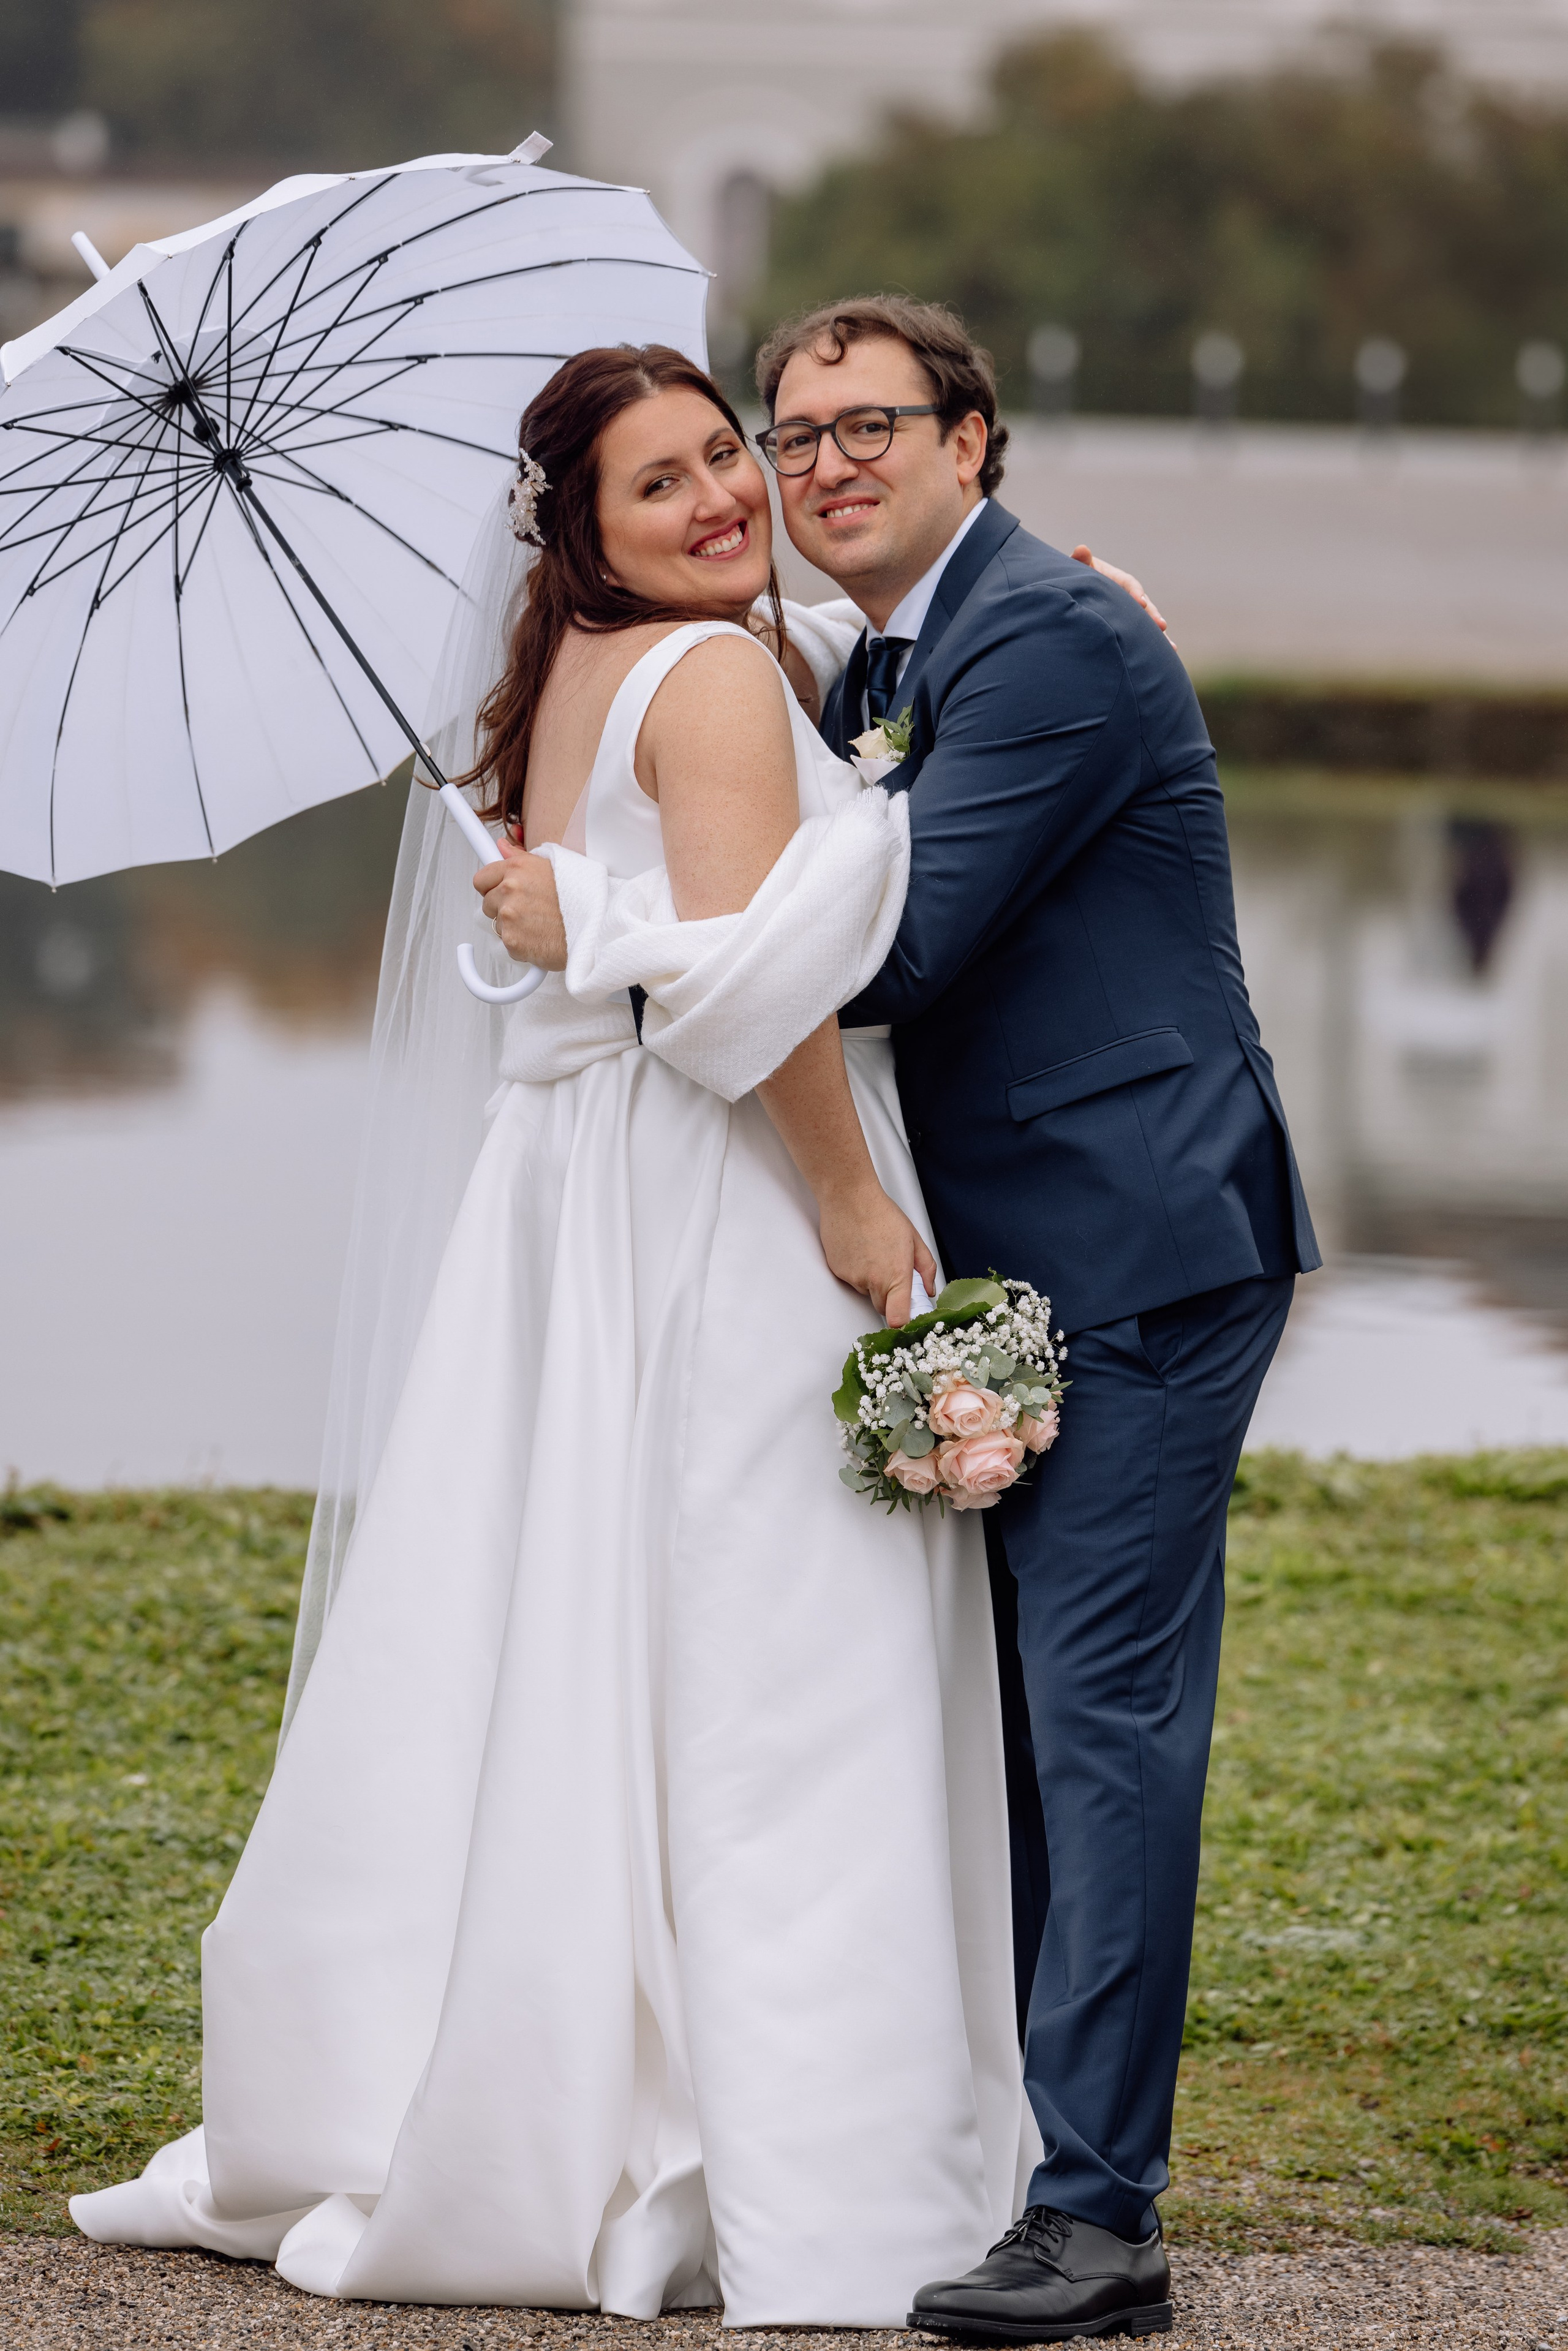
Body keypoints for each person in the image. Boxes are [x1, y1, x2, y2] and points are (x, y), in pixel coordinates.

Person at [69, 345, 1033, 2321]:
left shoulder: (575, 674)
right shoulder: (714, 679)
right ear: (582, 530)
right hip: (718, 1193)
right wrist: (851, 1200)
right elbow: (749, 995)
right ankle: (792, 2135)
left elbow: (676, 891)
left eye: (721, 457)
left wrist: (591, 920)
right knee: (774, 1644)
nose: (723, 498)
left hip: (574, 1195)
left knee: (574, 1615)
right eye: (657, 485)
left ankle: (528, 2062)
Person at [493, 296, 1319, 2344]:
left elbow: (889, 944)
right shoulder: (886, 658)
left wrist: (605, 918)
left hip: (1134, 1242)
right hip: (995, 1255)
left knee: (1098, 1726)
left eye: (868, 425)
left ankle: (1099, 2220)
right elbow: (831, 825)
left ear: (973, 440)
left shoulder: (1050, 639)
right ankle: (1027, 2151)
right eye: (791, 435)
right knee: (1020, 1727)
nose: (815, 465)